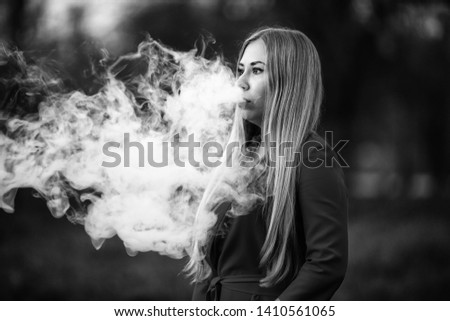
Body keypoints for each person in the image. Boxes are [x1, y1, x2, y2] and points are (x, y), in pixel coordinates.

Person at [186, 27, 348, 301]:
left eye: (257, 70)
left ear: (289, 80)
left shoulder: (312, 155)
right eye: (240, 70)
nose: (241, 82)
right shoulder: (239, 158)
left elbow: (327, 264)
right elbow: (208, 269)